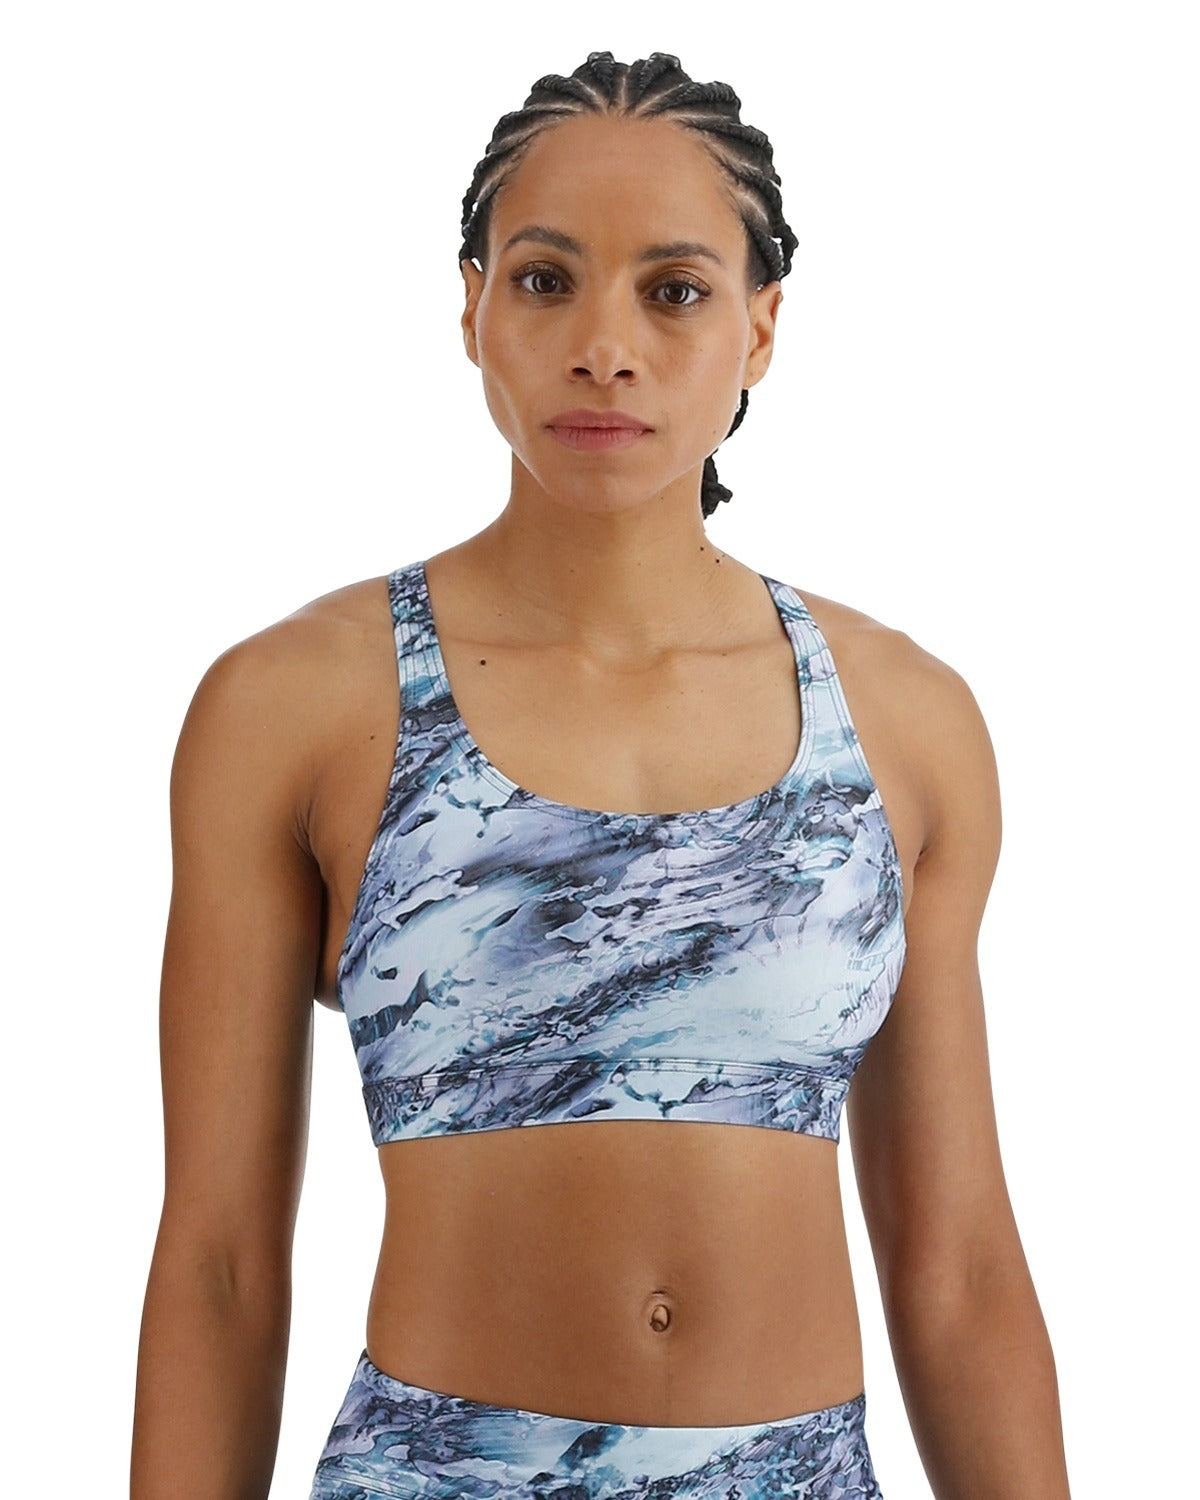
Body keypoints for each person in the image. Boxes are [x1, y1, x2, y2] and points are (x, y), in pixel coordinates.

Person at [131, 50, 1072, 1500]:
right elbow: (221, 1264)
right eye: (545, 280)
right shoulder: (297, 705)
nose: (604, 347)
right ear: (472, 309)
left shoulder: (904, 721)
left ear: (761, 329)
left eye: (674, 290)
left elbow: (956, 1272)